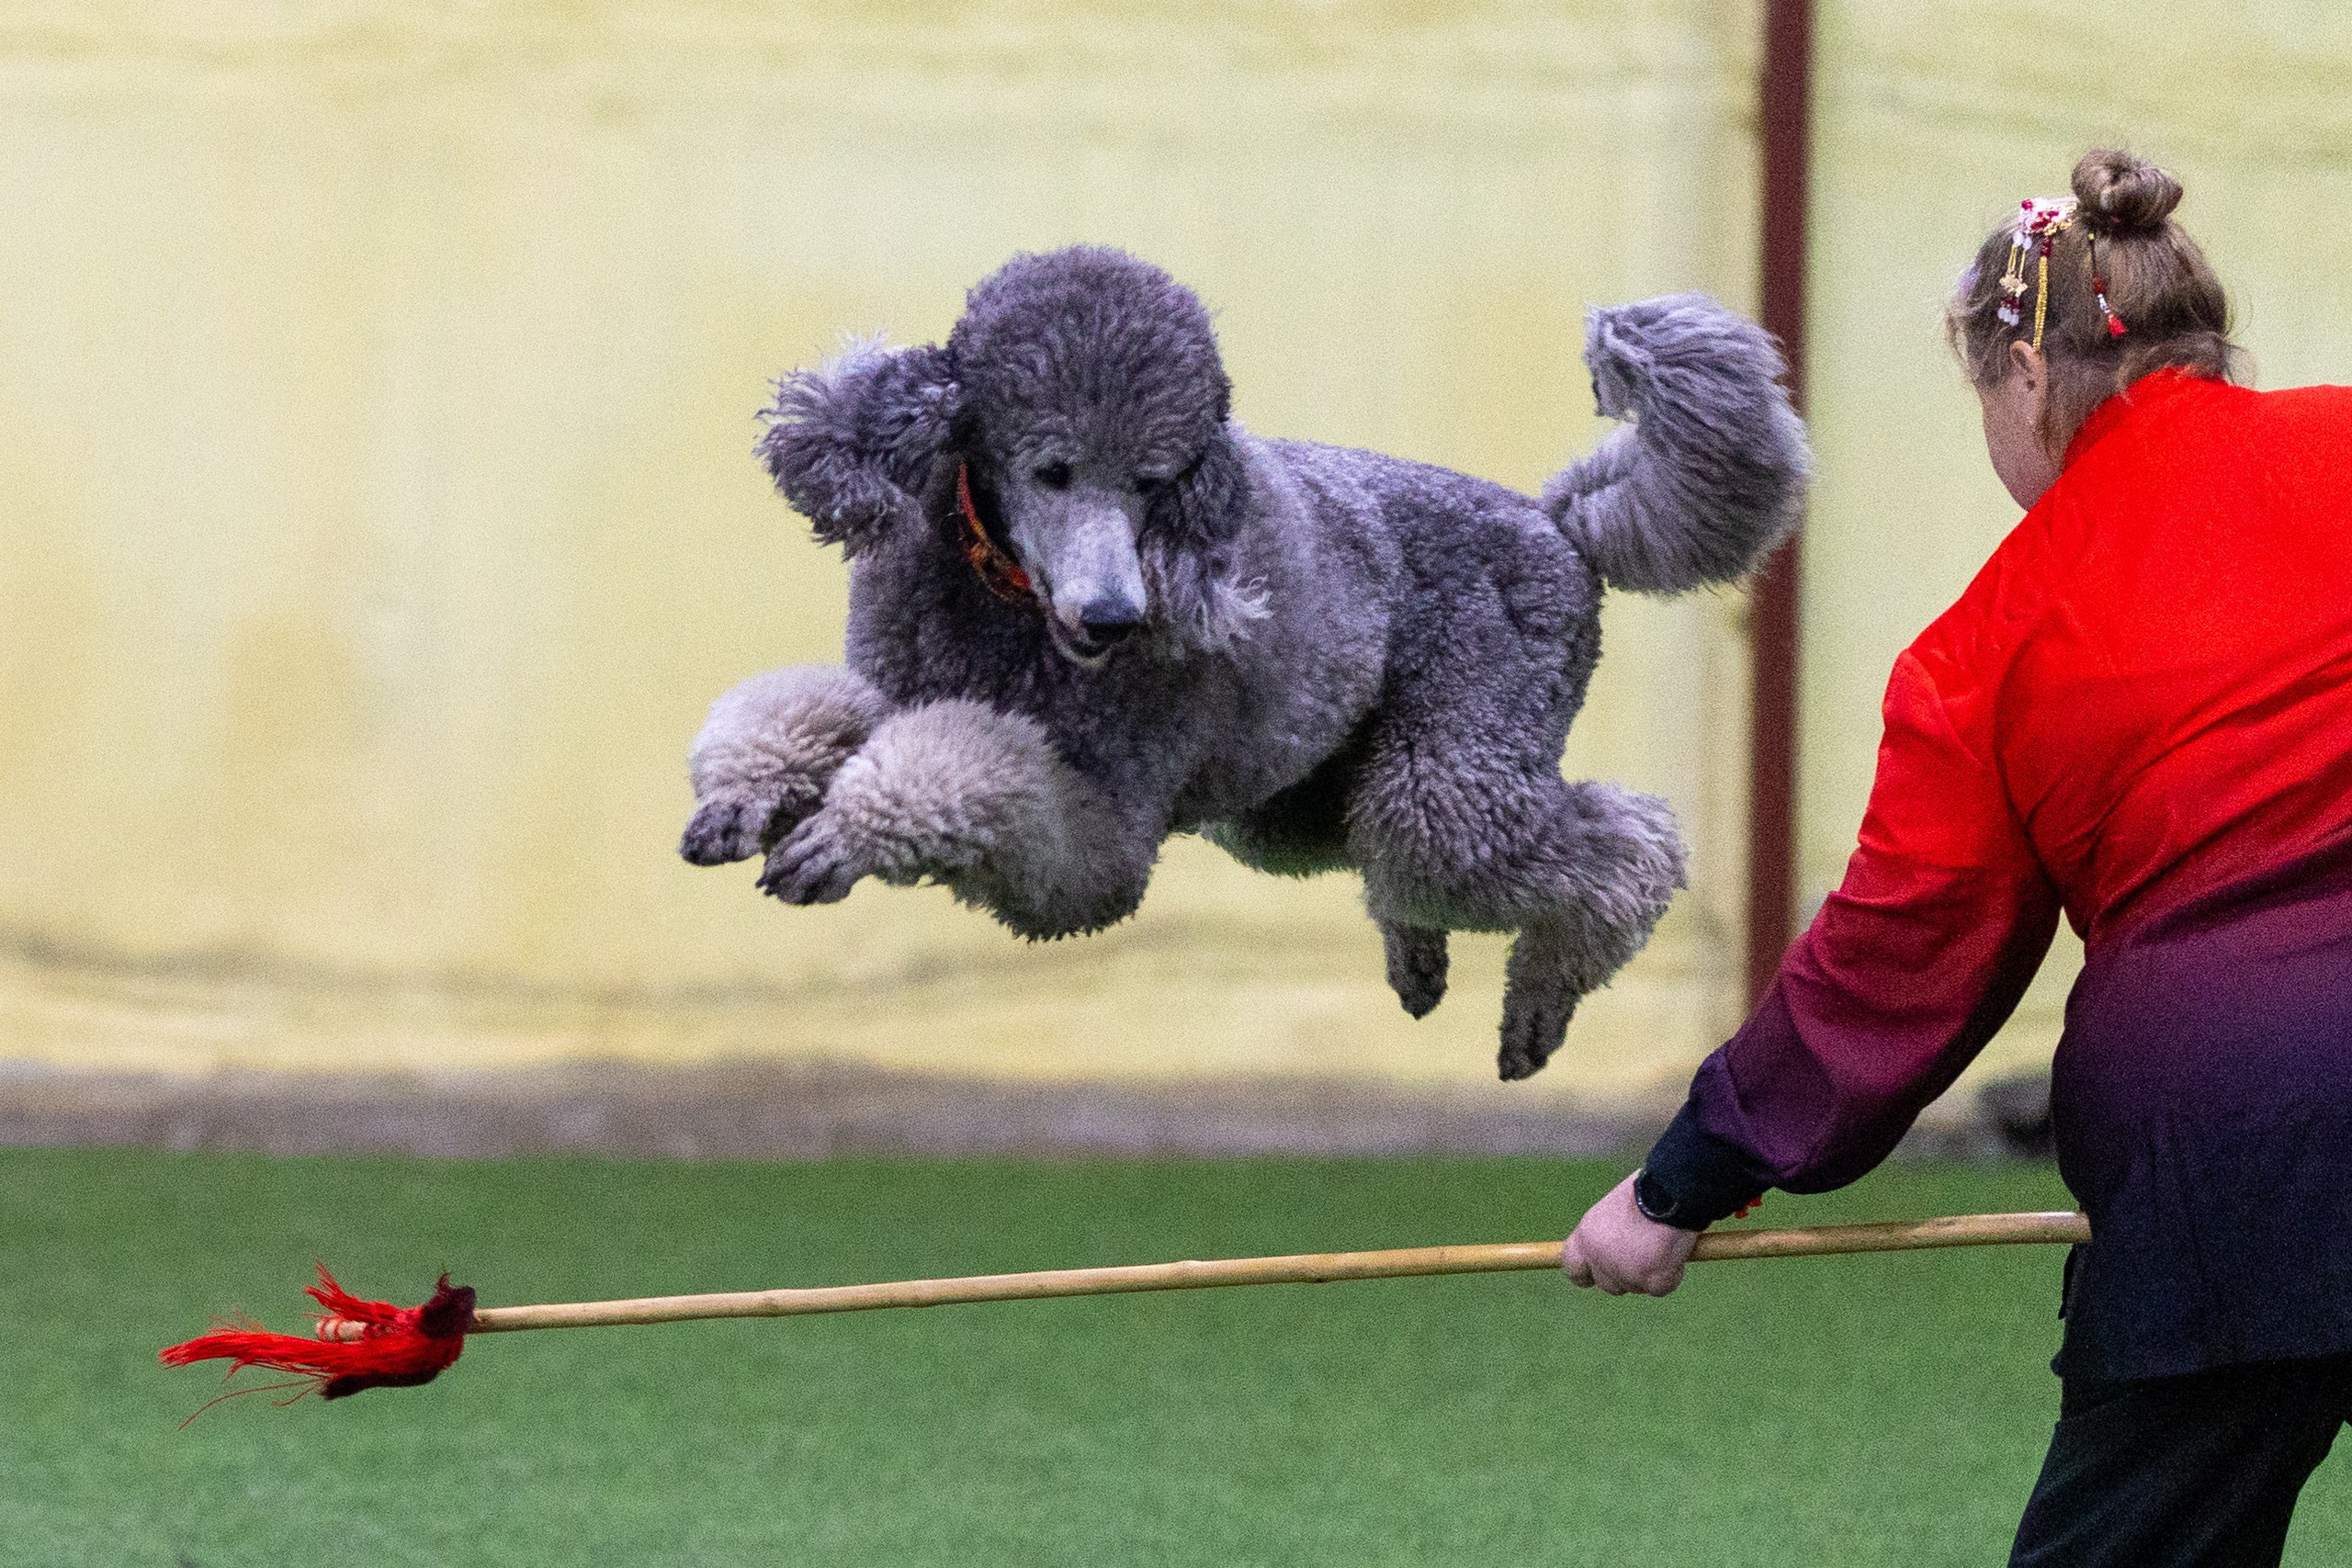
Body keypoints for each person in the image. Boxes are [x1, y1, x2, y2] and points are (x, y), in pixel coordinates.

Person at [1562, 148, 2352, 1567]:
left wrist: (1676, 1184)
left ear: (2027, 382)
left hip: (2230, 1157)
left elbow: (1895, 963)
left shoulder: (1988, 640)